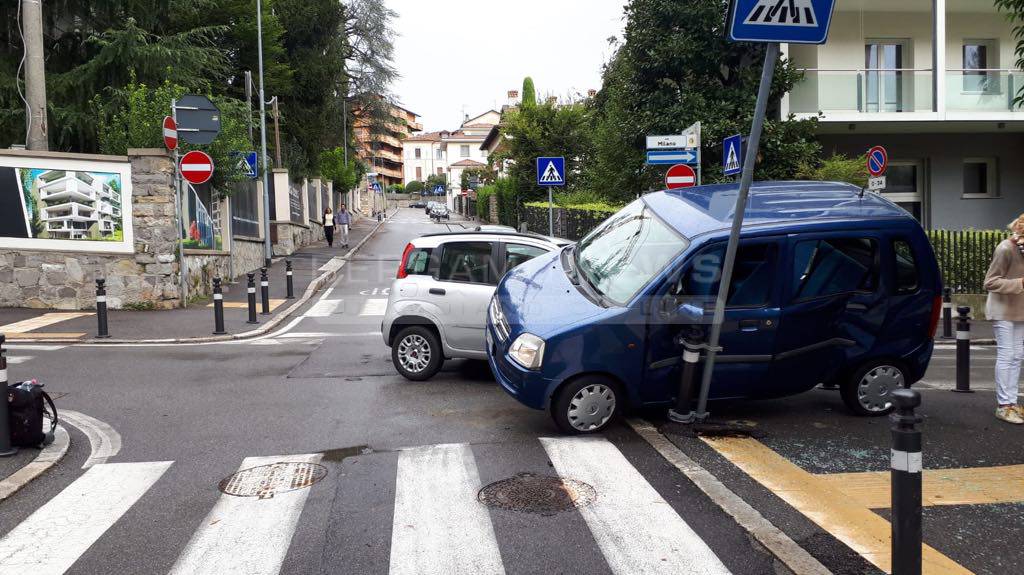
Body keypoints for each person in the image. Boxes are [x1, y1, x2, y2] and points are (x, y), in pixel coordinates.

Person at [984, 214, 1024, 424]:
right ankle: (1004, 405)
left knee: (1018, 355)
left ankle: (1012, 402)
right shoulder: (1006, 248)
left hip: (1020, 310)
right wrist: (1020, 283)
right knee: (1007, 354)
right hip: (1002, 309)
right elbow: (990, 282)